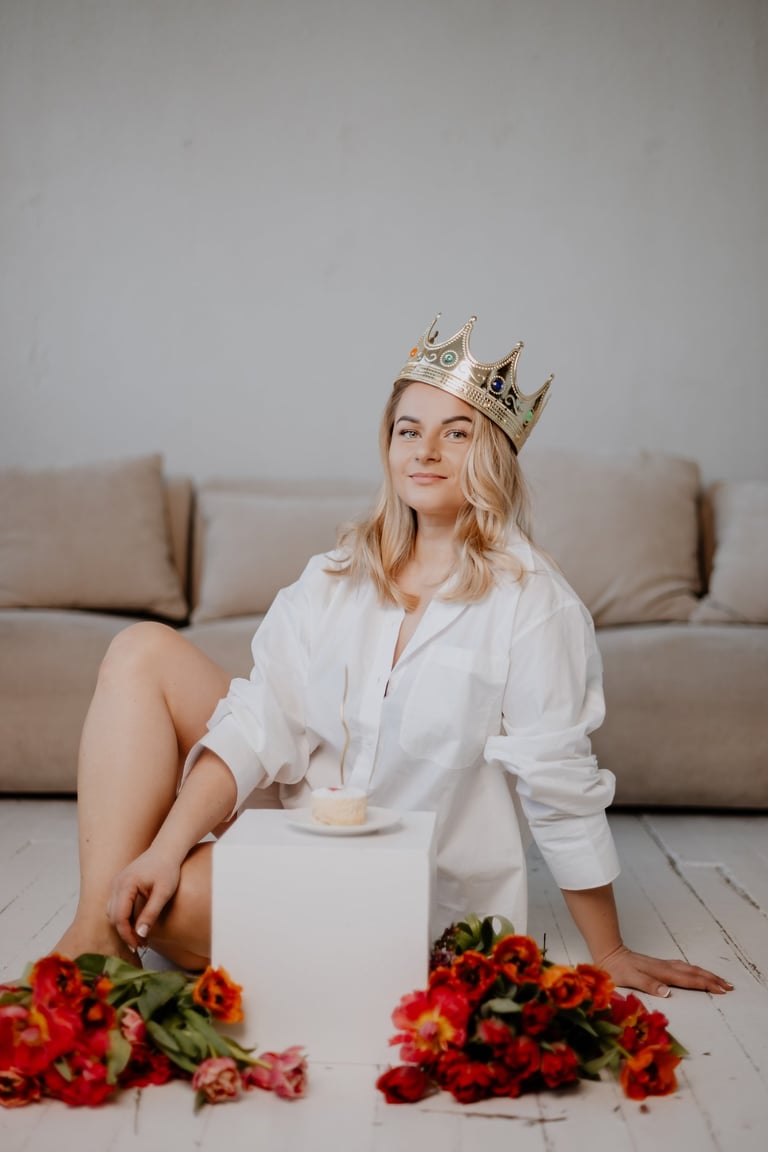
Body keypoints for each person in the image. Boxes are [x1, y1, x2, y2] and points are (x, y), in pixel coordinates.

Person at [54, 314, 732, 999]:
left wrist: (608, 949)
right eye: (409, 430)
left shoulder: (534, 602)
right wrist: (164, 850)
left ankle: (162, 929)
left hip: (411, 890)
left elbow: (558, 783)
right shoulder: (333, 576)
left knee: (175, 906)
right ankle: (94, 933)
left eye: (456, 433)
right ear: (388, 446)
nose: (426, 450)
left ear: (494, 456)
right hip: (302, 826)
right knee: (141, 649)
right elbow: (261, 723)